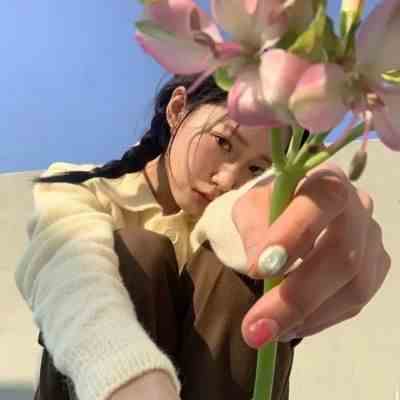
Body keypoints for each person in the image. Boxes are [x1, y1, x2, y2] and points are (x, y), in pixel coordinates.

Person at [15, 75, 390, 400]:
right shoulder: (82, 189)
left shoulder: (223, 217)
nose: (227, 180)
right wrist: (129, 376)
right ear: (178, 109)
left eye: (255, 168)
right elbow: (73, 277)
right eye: (223, 142)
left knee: (241, 271)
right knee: (138, 249)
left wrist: (295, 225)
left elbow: (232, 226)